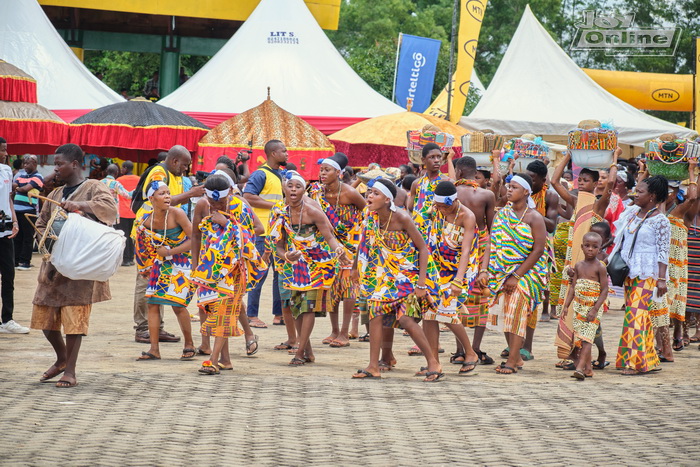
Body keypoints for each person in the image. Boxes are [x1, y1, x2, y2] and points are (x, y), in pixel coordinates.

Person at [30, 143, 118, 387]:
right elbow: (41, 222)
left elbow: (110, 210)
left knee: (74, 320)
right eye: (55, 164)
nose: (55, 168)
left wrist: (82, 206)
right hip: (53, 266)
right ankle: (61, 359)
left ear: (76, 164)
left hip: (80, 266)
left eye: (59, 164)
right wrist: (44, 240)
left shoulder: (93, 187)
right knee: (44, 318)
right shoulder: (55, 194)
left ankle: (70, 371)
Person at [352, 178, 443, 381]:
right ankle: (373, 366)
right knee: (375, 313)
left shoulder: (402, 218)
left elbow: (423, 248)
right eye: (369, 193)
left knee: (405, 319)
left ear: (386, 199)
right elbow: (363, 242)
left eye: (375, 193)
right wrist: (355, 268)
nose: (369, 196)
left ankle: (433, 363)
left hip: (408, 275)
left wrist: (421, 283)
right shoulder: (370, 216)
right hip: (384, 276)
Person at [269, 171, 348, 365]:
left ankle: (299, 353)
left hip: (319, 264)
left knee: (308, 307)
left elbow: (329, 236)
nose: (294, 189)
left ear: (304, 190)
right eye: (290, 186)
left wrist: (339, 251)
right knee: (296, 308)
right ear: (284, 188)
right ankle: (308, 352)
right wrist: (286, 255)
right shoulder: (280, 213)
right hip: (296, 265)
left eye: (298, 186)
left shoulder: (313, 210)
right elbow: (278, 245)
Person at [190, 175, 266, 374]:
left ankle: (212, 361)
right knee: (213, 310)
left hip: (235, 269)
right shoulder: (202, 206)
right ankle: (226, 360)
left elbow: (259, 228)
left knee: (223, 311)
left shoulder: (240, 205)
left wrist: (228, 224)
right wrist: (195, 264)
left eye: (221, 202)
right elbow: (196, 234)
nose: (216, 205)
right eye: (213, 201)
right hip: (209, 268)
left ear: (230, 193)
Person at [551, 149, 619, 362]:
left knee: (590, 317)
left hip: (591, 270)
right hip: (573, 266)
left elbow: (610, 184)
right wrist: (568, 157)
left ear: (595, 182)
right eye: (579, 179)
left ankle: (596, 353)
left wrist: (614, 158)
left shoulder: (598, 203)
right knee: (572, 311)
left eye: (586, 180)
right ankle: (573, 352)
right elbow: (554, 182)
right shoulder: (574, 201)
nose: (580, 183)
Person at [132, 145, 204, 344]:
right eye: (184, 165)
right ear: (174, 161)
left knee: (166, 292)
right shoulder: (158, 173)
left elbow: (172, 207)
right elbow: (163, 200)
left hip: (170, 243)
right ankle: (144, 328)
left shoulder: (176, 177)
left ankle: (157, 329)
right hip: (148, 238)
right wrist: (191, 194)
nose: (185, 170)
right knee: (146, 282)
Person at [487, 174, 547, 375]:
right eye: (508, 187)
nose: (509, 190)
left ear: (526, 192)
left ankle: (512, 360)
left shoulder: (534, 217)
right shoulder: (501, 214)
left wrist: (518, 275)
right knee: (506, 311)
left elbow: (538, 250)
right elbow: (492, 243)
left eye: (514, 187)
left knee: (516, 306)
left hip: (529, 271)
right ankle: (517, 356)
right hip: (502, 270)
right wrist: (486, 270)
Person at [611, 175, 670, 375]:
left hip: (648, 273)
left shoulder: (661, 221)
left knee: (636, 314)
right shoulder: (631, 213)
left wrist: (661, 280)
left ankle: (634, 363)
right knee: (637, 315)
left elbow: (663, 252)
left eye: (641, 192)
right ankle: (649, 359)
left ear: (652, 196)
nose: (636, 194)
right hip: (629, 271)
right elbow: (618, 236)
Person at [308, 153, 366, 347]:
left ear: (338, 173)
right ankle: (333, 331)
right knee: (332, 287)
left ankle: (344, 332)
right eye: (321, 170)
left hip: (351, 244)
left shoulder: (350, 192)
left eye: (327, 170)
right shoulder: (317, 192)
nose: (322, 173)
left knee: (348, 287)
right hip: (328, 244)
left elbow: (367, 212)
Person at [424, 181, 481, 375]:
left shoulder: (467, 216)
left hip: (460, 269)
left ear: (455, 201)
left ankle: (471, 352)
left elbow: (466, 251)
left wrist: (458, 280)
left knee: (446, 310)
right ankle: (433, 362)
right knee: (429, 313)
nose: (440, 210)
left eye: (444, 206)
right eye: (438, 206)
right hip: (437, 267)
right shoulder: (436, 210)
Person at [134, 181, 195, 361]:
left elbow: (194, 240)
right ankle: (154, 349)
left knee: (178, 305)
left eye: (168, 193)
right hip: (160, 265)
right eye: (162, 194)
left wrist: (169, 251)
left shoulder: (178, 213)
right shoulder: (145, 220)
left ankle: (189, 344)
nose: (168, 196)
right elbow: (142, 246)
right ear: (151, 198)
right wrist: (144, 266)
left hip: (182, 263)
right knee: (152, 304)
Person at [451, 155, 495, 365]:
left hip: (454, 246)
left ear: (459, 172)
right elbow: (490, 230)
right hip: (480, 247)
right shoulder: (487, 195)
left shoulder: (452, 193)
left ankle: (461, 349)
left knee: (456, 296)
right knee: (481, 298)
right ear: (475, 172)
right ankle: (475, 348)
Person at [242, 139, 288, 328]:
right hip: (262, 232)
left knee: (280, 274)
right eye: (283, 151)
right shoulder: (261, 174)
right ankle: (251, 316)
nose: (286, 154)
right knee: (259, 272)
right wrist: (277, 206)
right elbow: (248, 196)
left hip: (277, 232)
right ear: (273, 154)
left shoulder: (280, 175)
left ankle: (279, 314)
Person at [562, 232, 608, 380]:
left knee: (587, 338)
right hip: (579, 307)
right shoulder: (579, 266)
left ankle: (580, 368)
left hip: (593, 308)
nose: (590, 249)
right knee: (581, 338)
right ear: (582, 247)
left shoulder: (600, 267)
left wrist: (595, 309)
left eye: (594, 247)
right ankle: (588, 369)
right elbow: (573, 288)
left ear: (600, 249)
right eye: (587, 246)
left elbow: (605, 290)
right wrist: (566, 306)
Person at [0, 138, 27, 334]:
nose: (6, 153)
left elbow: (9, 199)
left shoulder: (7, 171)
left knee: (9, 274)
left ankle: (7, 319)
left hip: (6, 229)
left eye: (6, 150)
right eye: (3, 150)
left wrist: (15, 221)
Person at [12, 154, 43, 270]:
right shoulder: (21, 175)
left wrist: (19, 187)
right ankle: (16, 261)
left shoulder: (38, 176)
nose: (25, 165)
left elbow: (24, 189)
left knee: (27, 237)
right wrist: (19, 187)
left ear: (34, 163)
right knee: (17, 236)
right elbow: (14, 185)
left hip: (29, 211)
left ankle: (25, 262)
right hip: (17, 210)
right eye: (24, 163)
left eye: (28, 163)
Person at [116, 161, 140, 266]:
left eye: (122, 168)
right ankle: (131, 258)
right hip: (135, 212)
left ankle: (125, 259)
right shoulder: (139, 180)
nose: (121, 170)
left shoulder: (118, 180)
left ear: (125, 168)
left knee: (123, 235)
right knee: (132, 236)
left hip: (122, 212)